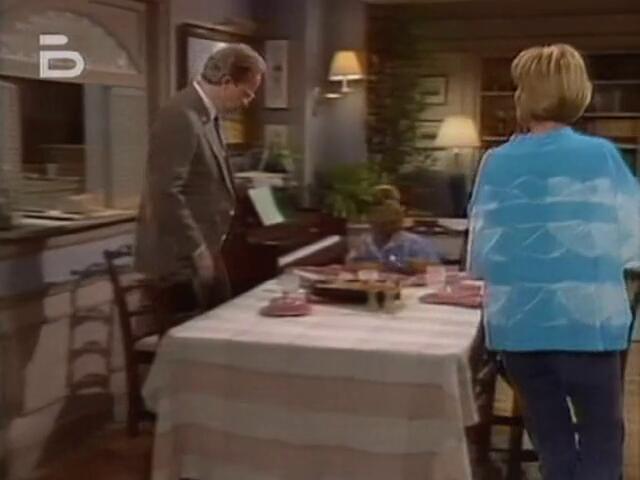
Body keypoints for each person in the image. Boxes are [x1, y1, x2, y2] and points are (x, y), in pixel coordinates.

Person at [468, 43, 640, 480]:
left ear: (523, 95)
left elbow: (481, 254)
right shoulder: (601, 156)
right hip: (588, 327)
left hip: (518, 330)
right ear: (579, 92)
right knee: (601, 442)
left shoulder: (495, 162)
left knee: (552, 444)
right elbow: (633, 241)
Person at [135, 44, 265, 312]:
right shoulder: (180, 115)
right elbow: (164, 191)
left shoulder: (207, 116)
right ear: (226, 82)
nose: (247, 102)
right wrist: (196, 248)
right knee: (199, 332)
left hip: (206, 250)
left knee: (224, 320)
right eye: (246, 93)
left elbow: (205, 177)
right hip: (179, 259)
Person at [347, 184, 441, 272]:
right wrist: (383, 266)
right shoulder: (365, 243)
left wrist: (404, 266)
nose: (385, 226)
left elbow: (434, 269)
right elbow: (350, 265)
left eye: (390, 221)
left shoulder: (415, 243)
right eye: (381, 222)